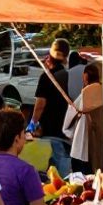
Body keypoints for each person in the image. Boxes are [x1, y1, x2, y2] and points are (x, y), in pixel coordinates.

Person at [30, 39, 72, 176]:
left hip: (49, 132)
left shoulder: (46, 77)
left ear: (49, 55)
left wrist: (32, 123)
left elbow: (40, 104)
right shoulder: (68, 76)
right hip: (67, 131)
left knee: (48, 174)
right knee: (64, 173)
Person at [63, 62, 103, 175]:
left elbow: (69, 118)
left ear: (85, 77)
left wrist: (69, 132)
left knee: (81, 175)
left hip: (83, 142)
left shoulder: (85, 95)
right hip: (100, 141)